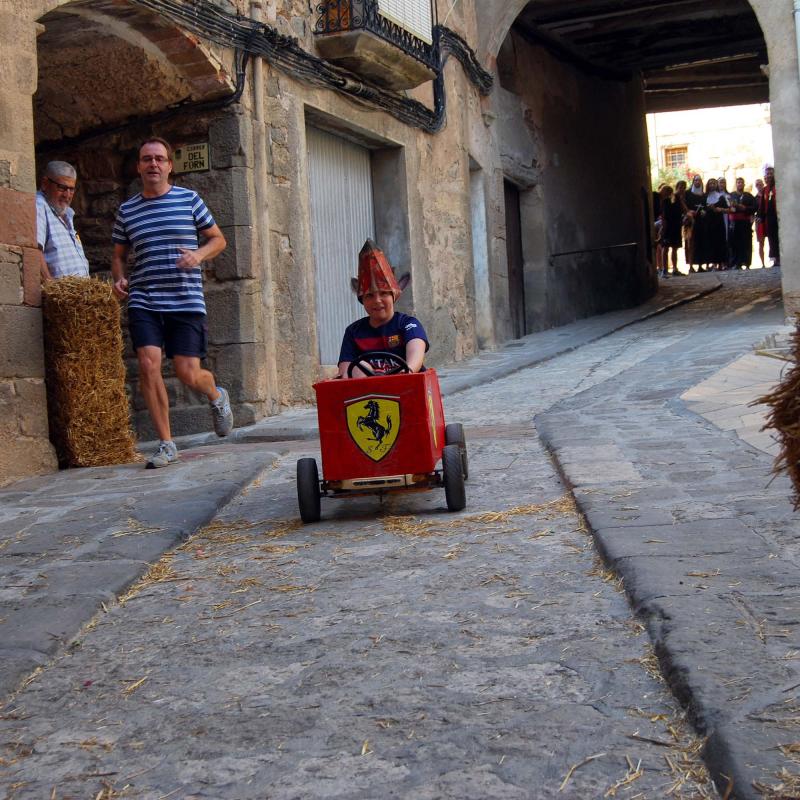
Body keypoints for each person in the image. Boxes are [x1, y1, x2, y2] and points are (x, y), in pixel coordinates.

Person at [111, 137, 233, 469]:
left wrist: (198, 254)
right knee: (148, 365)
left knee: (188, 373)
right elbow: (119, 256)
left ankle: (215, 395)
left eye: (159, 159)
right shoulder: (127, 210)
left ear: (169, 166)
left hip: (185, 300)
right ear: (139, 167)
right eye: (147, 159)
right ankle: (167, 444)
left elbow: (218, 239)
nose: (153, 164)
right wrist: (119, 278)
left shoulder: (189, 199)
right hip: (145, 299)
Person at [338, 239, 428, 379]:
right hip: (366, 397)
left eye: (384, 293)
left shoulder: (409, 325)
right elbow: (345, 372)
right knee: (357, 367)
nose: (377, 301)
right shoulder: (353, 332)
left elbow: (414, 359)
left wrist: (400, 376)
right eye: (370, 296)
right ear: (363, 300)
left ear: (394, 296)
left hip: (406, 389)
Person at [36, 161, 90, 281]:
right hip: (59, 296)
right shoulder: (39, 205)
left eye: (71, 189)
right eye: (62, 188)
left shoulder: (66, 213)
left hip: (75, 295)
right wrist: (50, 285)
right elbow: (34, 250)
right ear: (45, 184)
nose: (67, 195)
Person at [728, 177, 756, 269]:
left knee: (746, 243)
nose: (740, 184)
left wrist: (745, 208)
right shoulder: (731, 195)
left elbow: (755, 207)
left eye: (741, 182)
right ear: (736, 184)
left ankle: (746, 263)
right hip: (734, 223)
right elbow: (727, 207)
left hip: (745, 223)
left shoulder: (749, 196)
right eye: (738, 182)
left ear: (744, 184)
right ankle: (736, 263)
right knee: (734, 243)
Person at [759, 166, 779, 267]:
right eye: (768, 174)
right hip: (769, 218)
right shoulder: (765, 189)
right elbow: (762, 205)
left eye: (771, 173)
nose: (769, 175)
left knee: (779, 237)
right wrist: (761, 217)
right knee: (772, 238)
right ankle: (775, 259)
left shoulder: (779, 186)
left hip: (778, 216)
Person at [684, 175, 705, 270]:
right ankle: (691, 266)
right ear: (693, 182)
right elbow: (683, 206)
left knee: (701, 243)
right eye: (696, 180)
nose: (698, 182)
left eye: (699, 180)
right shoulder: (687, 193)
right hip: (690, 221)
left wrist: (704, 211)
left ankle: (700, 265)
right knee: (690, 244)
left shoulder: (703, 195)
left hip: (701, 221)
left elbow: (705, 206)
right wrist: (689, 211)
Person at [754, 177, 766, 268]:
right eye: (757, 184)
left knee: (772, 239)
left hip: (768, 220)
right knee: (761, 243)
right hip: (759, 222)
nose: (759, 186)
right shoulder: (755, 198)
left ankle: (776, 260)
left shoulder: (767, 194)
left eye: (760, 184)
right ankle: (763, 264)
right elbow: (753, 211)